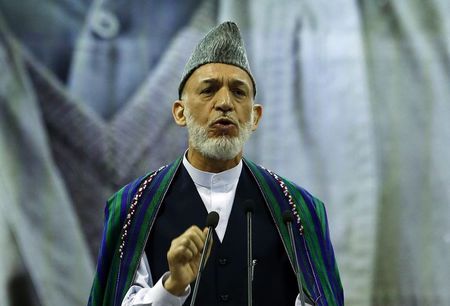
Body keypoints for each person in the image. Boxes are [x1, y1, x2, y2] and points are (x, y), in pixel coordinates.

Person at [87, 21, 343, 306]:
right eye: (208, 90)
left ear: (255, 117)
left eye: (238, 92)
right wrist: (172, 287)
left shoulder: (297, 209)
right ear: (180, 112)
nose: (224, 103)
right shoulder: (134, 207)